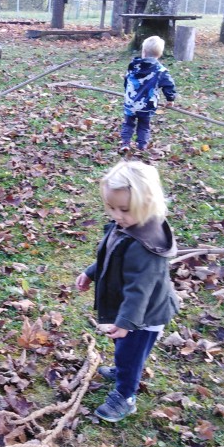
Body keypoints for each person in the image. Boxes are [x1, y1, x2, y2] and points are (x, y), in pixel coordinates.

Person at [75, 160, 180, 423]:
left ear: (147, 204)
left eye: (124, 209)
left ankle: (126, 395)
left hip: (144, 315)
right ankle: (123, 370)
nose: (116, 215)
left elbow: (139, 290)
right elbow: (111, 256)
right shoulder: (128, 226)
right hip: (129, 309)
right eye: (111, 207)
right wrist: (91, 272)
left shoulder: (145, 246)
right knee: (122, 347)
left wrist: (126, 322)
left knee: (130, 353)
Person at [121, 35, 177, 155]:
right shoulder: (160, 70)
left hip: (130, 103)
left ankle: (125, 143)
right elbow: (169, 85)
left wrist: (127, 93)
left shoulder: (133, 66)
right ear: (159, 54)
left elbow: (127, 81)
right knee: (144, 126)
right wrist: (170, 98)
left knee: (128, 124)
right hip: (147, 106)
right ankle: (142, 146)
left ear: (143, 52)